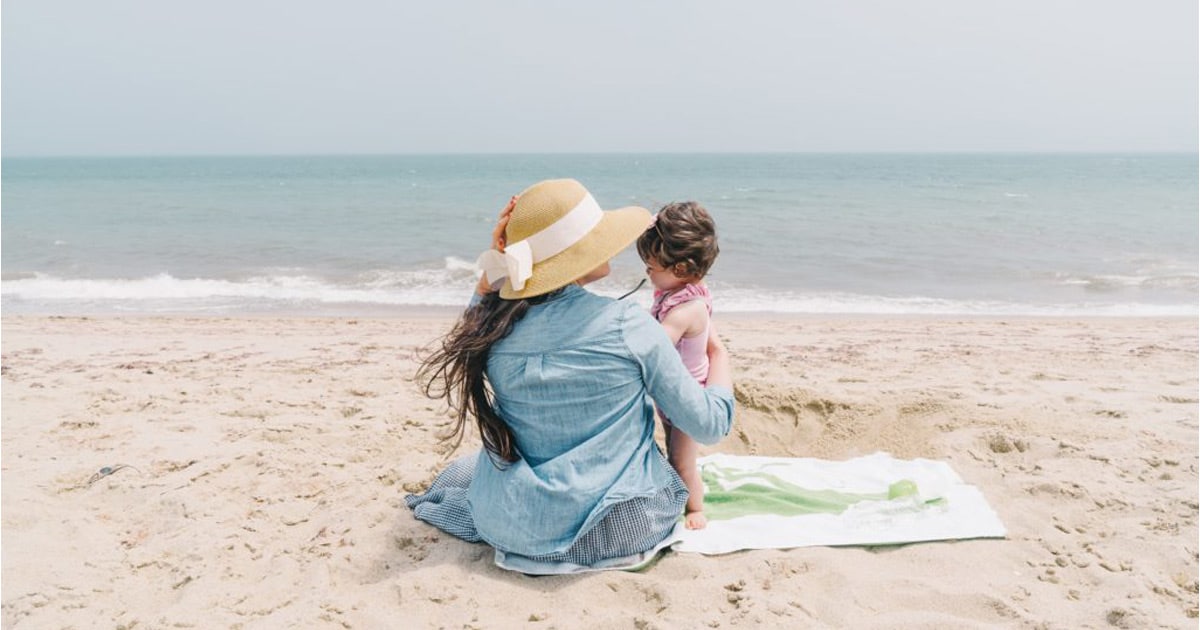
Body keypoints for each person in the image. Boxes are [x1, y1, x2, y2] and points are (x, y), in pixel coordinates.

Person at [407, 178, 734, 574]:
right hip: (618, 528)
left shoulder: (492, 330)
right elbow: (710, 424)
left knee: (466, 472)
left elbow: (472, 323)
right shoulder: (627, 326)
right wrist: (719, 355)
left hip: (514, 522)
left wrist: (495, 269)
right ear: (575, 255)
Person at [635, 201, 720, 530]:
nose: (647, 272)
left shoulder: (685, 311)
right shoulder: (683, 293)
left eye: (652, 266)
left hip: (686, 400)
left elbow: (654, 344)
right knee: (673, 446)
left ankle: (695, 508)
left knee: (682, 460)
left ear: (682, 269)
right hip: (673, 395)